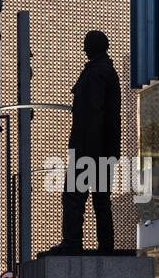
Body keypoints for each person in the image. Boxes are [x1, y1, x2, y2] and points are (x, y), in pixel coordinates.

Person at [47, 30, 121, 255]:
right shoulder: (103, 72)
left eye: (86, 44)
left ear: (94, 46)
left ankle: (72, 242)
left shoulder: (98, 73)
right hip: (101, 148)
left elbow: (95, 113)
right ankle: (105, 244)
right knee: (100, 199)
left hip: (90, 148)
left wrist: (85, 151)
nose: (83, 48)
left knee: (73, 196)